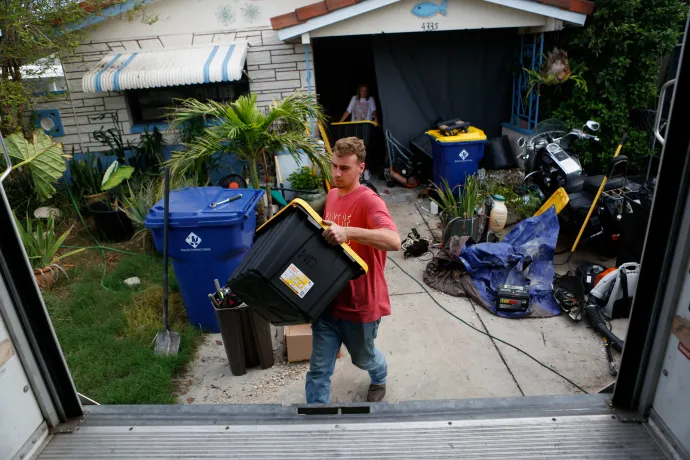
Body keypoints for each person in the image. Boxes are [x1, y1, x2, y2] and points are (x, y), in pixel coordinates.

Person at [305, 137, 401, 404]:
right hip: (328, 301)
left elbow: (394, 240)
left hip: (360, 305)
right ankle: (316, 425)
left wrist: (348, 232)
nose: (336, 173)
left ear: (360, 168)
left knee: (363, 358)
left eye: (344, 168)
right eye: (334, 166)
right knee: (318, 371)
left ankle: (379, 375)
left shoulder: (369, 201)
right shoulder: (333, 195)